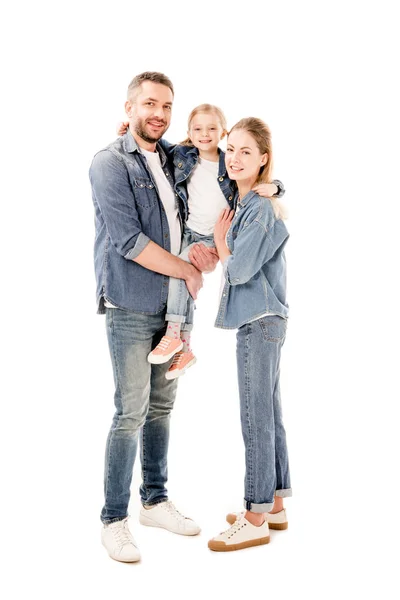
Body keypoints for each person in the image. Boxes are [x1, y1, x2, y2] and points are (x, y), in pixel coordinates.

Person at [89, 72, 218, 563]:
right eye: (149, 104)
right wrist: (187, 267)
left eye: (166, 105)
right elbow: (129, 242)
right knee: (130, 413)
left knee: (162, 409)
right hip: (130, 305)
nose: (158, 113)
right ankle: (114, 519)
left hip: (175, 311)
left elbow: (216, 174)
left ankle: (155, 501)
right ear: (129, 108)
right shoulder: (108, 163)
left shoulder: (174, 156)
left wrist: (205, 252)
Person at [117, 108, 285, 379]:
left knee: (181, 271)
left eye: (211, 129)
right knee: (184, 280)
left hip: (210, 237)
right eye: (197, 129)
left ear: (222, 131)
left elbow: (259, 176)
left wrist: (277, 187)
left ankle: (175, 334)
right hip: (188, 233)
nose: (204, 135)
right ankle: (185, 347)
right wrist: (131, 130)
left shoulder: (227, 164)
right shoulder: (183, 156)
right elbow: (155, 144)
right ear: (189, 133)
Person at [208, 117, 292, 552]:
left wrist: (222, 240)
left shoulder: (257, 207)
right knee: (269, 414)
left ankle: (255, 515)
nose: (235, 158)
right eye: (231, 149)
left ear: (263, 160)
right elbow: (194, 152)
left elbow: (239, 270)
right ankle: (274, 505)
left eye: (246, 151)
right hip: (266, 320)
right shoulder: (248, 200)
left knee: (255, 418)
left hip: (258, 320)